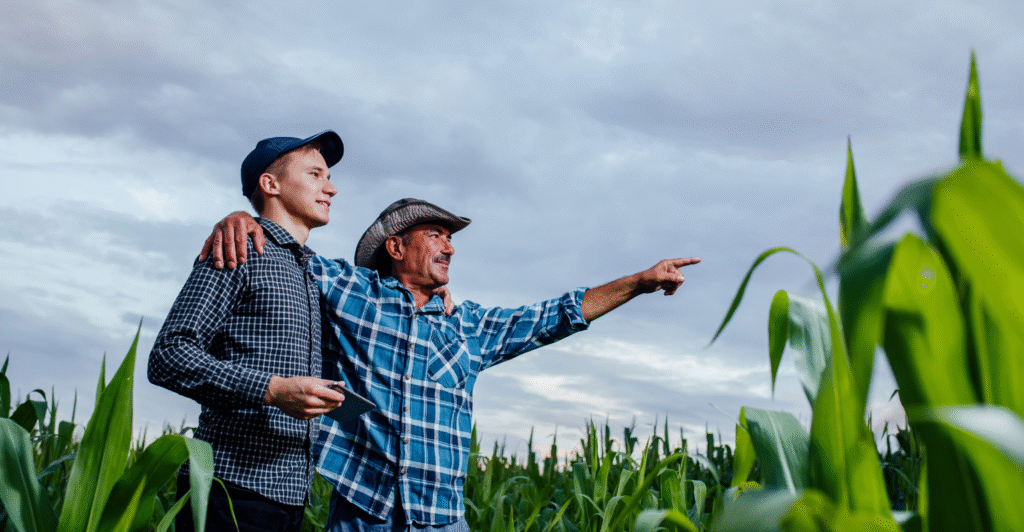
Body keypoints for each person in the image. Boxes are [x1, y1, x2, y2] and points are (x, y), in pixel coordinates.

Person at [201, 198, 700, 531]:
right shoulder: (351, 292)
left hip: (442, 521)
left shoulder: (468, 326)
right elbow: (286, 253)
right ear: (396, 247)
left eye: (450, 237)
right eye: (436, 234)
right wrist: (242, 218)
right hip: (363, 515)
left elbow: (558, 314)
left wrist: (639, 282)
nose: (450, 245)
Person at [148, 130, 349, 532]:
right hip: (230, 488)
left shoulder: (311, 272)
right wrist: (272, 389)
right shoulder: (239, 247)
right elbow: (169, 355)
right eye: (315, 174)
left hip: (289, 496)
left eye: (328, 177)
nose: (331, 188)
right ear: (270, 184)